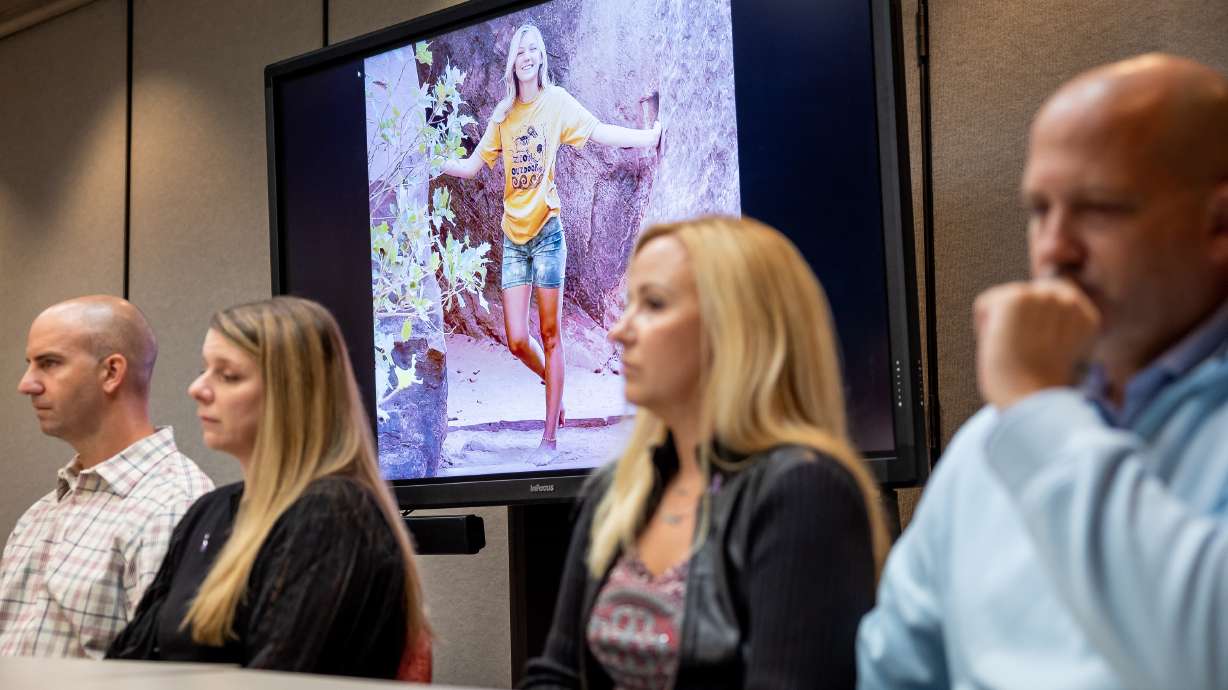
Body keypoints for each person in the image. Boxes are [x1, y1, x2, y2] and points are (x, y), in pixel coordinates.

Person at [857, 54, 1228, 689]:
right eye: (1039, 210)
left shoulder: (1027, 424)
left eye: (1101, 208)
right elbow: (895, 670)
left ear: (1218, 224)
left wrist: (1034, 409)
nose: (1053, 248)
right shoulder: (985, 450)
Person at [521, 216, 889, 689]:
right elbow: (555, 676)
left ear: (734, 327)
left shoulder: (805, 493)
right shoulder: (619, 491)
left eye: (652, 304)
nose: (619, 332)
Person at [106, 297, 429, 678]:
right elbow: (126, 664)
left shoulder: (333, 515)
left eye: (227, 375)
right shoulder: (208, 512)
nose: (197, 388)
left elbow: (280, 678)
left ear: (293, 391)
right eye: (204, 370)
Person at [442, 24, 662, 465]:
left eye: (534, 50)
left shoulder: (556, 103)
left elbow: (598, 131)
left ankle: (549, 438)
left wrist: (647, 138)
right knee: (518, 339)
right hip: (513, 236)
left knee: (550, 334)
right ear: (513, 60)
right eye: (520, 50)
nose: (527, 56)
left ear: (541, 58)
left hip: (547, 233)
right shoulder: (503, 116)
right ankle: (555, 388)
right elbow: (470, 167)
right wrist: (426, 161)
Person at [1, 295, 213, 658]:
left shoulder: (172, 505)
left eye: (48, 363)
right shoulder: (41, 513)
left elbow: (167, 675)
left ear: (112, 372)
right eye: (29, 365)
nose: (27, 384)